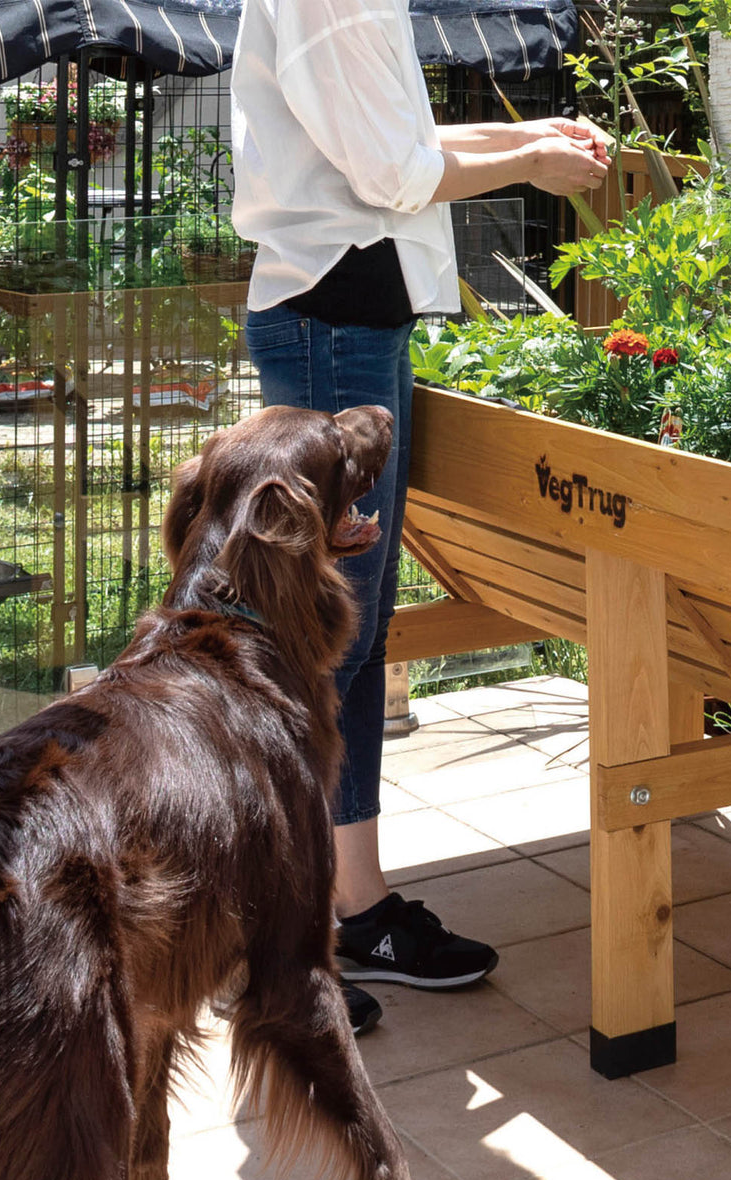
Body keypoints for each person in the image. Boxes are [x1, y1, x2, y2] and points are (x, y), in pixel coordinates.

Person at [229, 0, 609, 1033]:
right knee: (312, 653)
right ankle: (274, 943)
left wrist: (534, 139)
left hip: (351, 324)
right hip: (329, 330)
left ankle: (357, 905)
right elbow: (394, 176)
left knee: (350, 639)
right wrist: (529, 163)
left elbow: (403, 142)